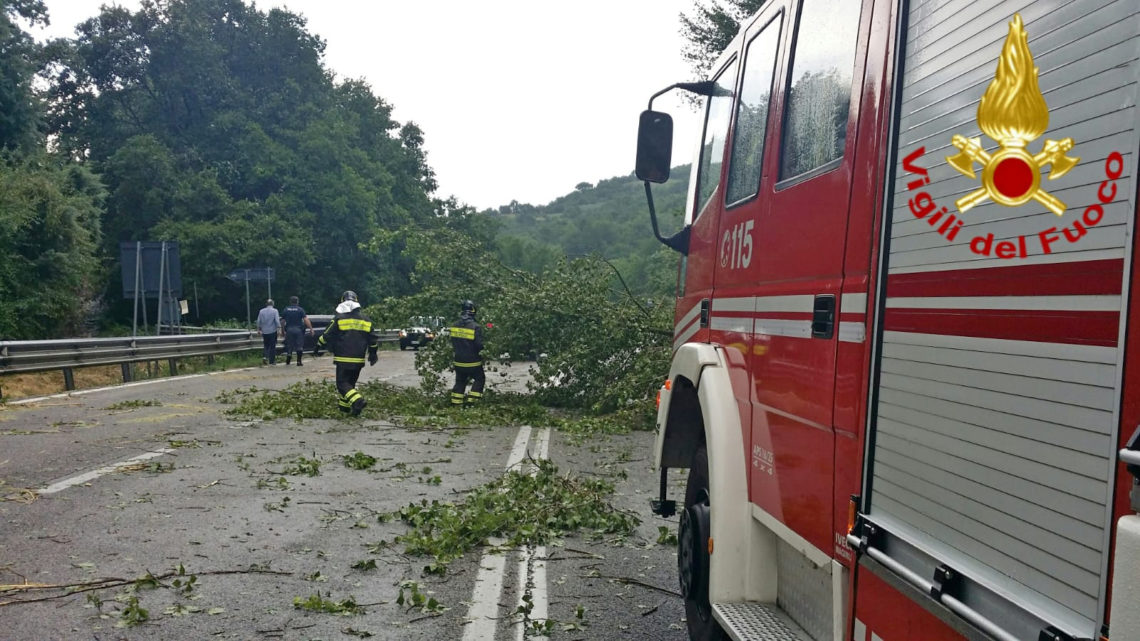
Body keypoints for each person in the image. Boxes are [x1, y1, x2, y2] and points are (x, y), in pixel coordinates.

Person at [316, 290, 378, 416]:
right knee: (350, 385)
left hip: (343, 358)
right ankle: (346, 408)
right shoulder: (366, 320)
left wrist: (318, 345)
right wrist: (373, 354)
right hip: (359, 359)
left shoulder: (339, 318)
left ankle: (358, 401)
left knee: (342, 384)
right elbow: (373, 340)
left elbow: (327, 334)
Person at [449, 299, 485, 408]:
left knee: (460, 381)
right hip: (472, 362)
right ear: (473, 311)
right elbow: (479, 345)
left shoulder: (454, 326)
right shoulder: (475, 326)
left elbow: (452, 342)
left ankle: (456, 405)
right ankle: (472, 403)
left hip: (458, 361)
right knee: (480, 379)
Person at [281, 295, 313, 366]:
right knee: (299, 346)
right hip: (298, 330)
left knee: (289, 345)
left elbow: (282, 321)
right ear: (297, 302)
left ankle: (288, 358)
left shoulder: (286, 309)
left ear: (290, 302)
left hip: (289, 330)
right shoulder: (300, 309)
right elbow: (305, 320)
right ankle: (299, 361)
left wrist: (282, 330)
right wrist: (311, 329)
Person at [255, 299, 281, 365]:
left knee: (266, 345)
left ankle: (265, 356)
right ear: (273, 304)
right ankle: (272, 361)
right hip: (272, 331)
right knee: (272, 346)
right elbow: (277, 321)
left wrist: (258, 329)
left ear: (266, 304)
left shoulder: (261, 311)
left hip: (264, 331)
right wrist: (279, 329)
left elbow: (258, 321)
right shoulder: (275, 311)